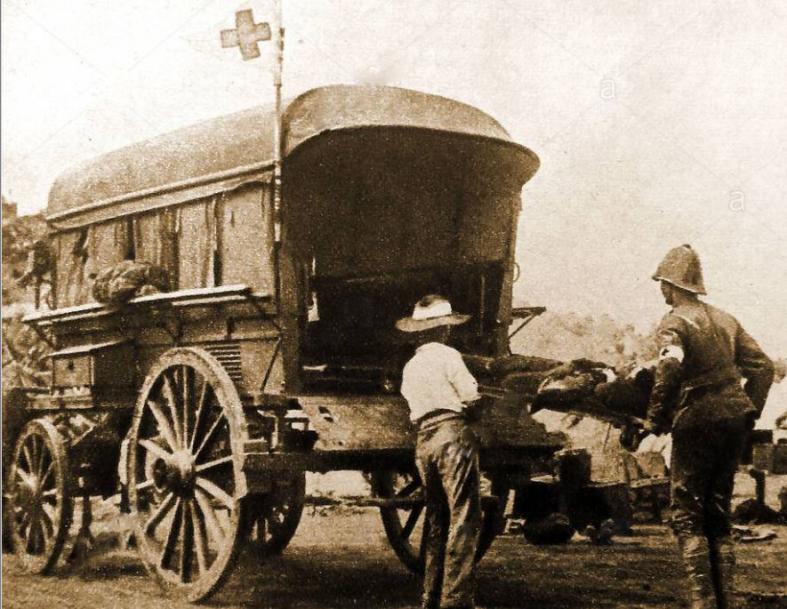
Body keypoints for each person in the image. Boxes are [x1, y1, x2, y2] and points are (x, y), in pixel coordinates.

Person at [646, 245, 774, 609]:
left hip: (697, 420)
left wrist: (655, 418)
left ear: (671, 286)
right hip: (734, 419)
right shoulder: (725, 319)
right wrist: (749, 410)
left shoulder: (674, 322)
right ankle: (726, 601)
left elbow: (668, 369)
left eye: (661, 284)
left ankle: (703, 602)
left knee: (687, 512)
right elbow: (763, 368)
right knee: (718, 509)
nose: (660, 290)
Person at [397, 294, 482, 609]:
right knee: (464, 516)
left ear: (419, 332)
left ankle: (430, 596)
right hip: (451, 437)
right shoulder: (449, 356)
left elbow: (413, 408)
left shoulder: (411, 366)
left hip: (425, 442)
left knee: (436, 519)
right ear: (445, 330)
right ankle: (456, 599)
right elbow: (471, 397)